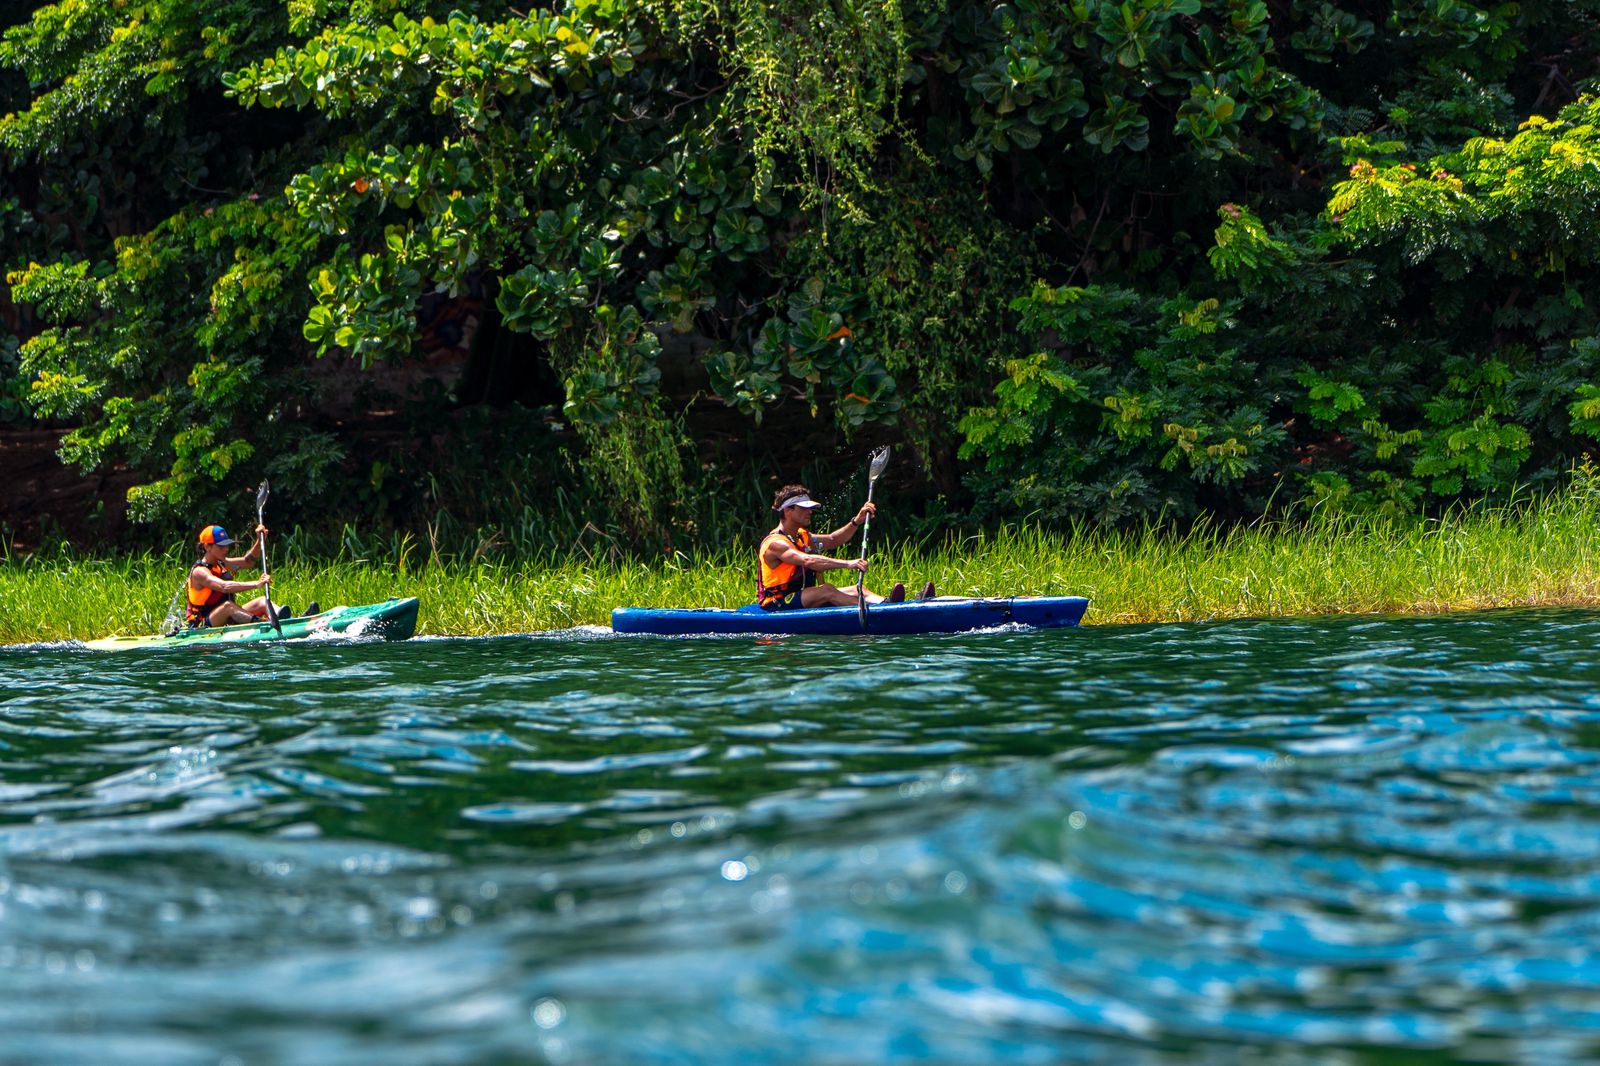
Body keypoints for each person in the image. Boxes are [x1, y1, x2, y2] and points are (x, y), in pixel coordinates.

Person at [756, 484, 934, 610]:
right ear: (788, 511)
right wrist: (848, 564)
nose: (809, 511)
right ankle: (882, 612)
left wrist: (856, 521)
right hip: (778, 603)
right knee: (827, 590)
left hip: (804, 595)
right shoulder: (776, 544)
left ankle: (895, 606)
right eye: (804, 508)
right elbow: (809, 560)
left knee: (859, 589)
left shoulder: (802, 536)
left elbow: (833, 539)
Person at [186, 523, 276, 628]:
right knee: (228, 606)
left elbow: (248, 562)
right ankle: (264, 624)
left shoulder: (224, 564)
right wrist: (256, 584)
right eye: (221, 546)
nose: (226, 549)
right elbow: (224, 587)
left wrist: (259, 541)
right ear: (207, 547)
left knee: (262, 601)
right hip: (202, 624)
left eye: (226, 545)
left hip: (227, 615)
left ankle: (284, 620)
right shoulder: (199, 572)